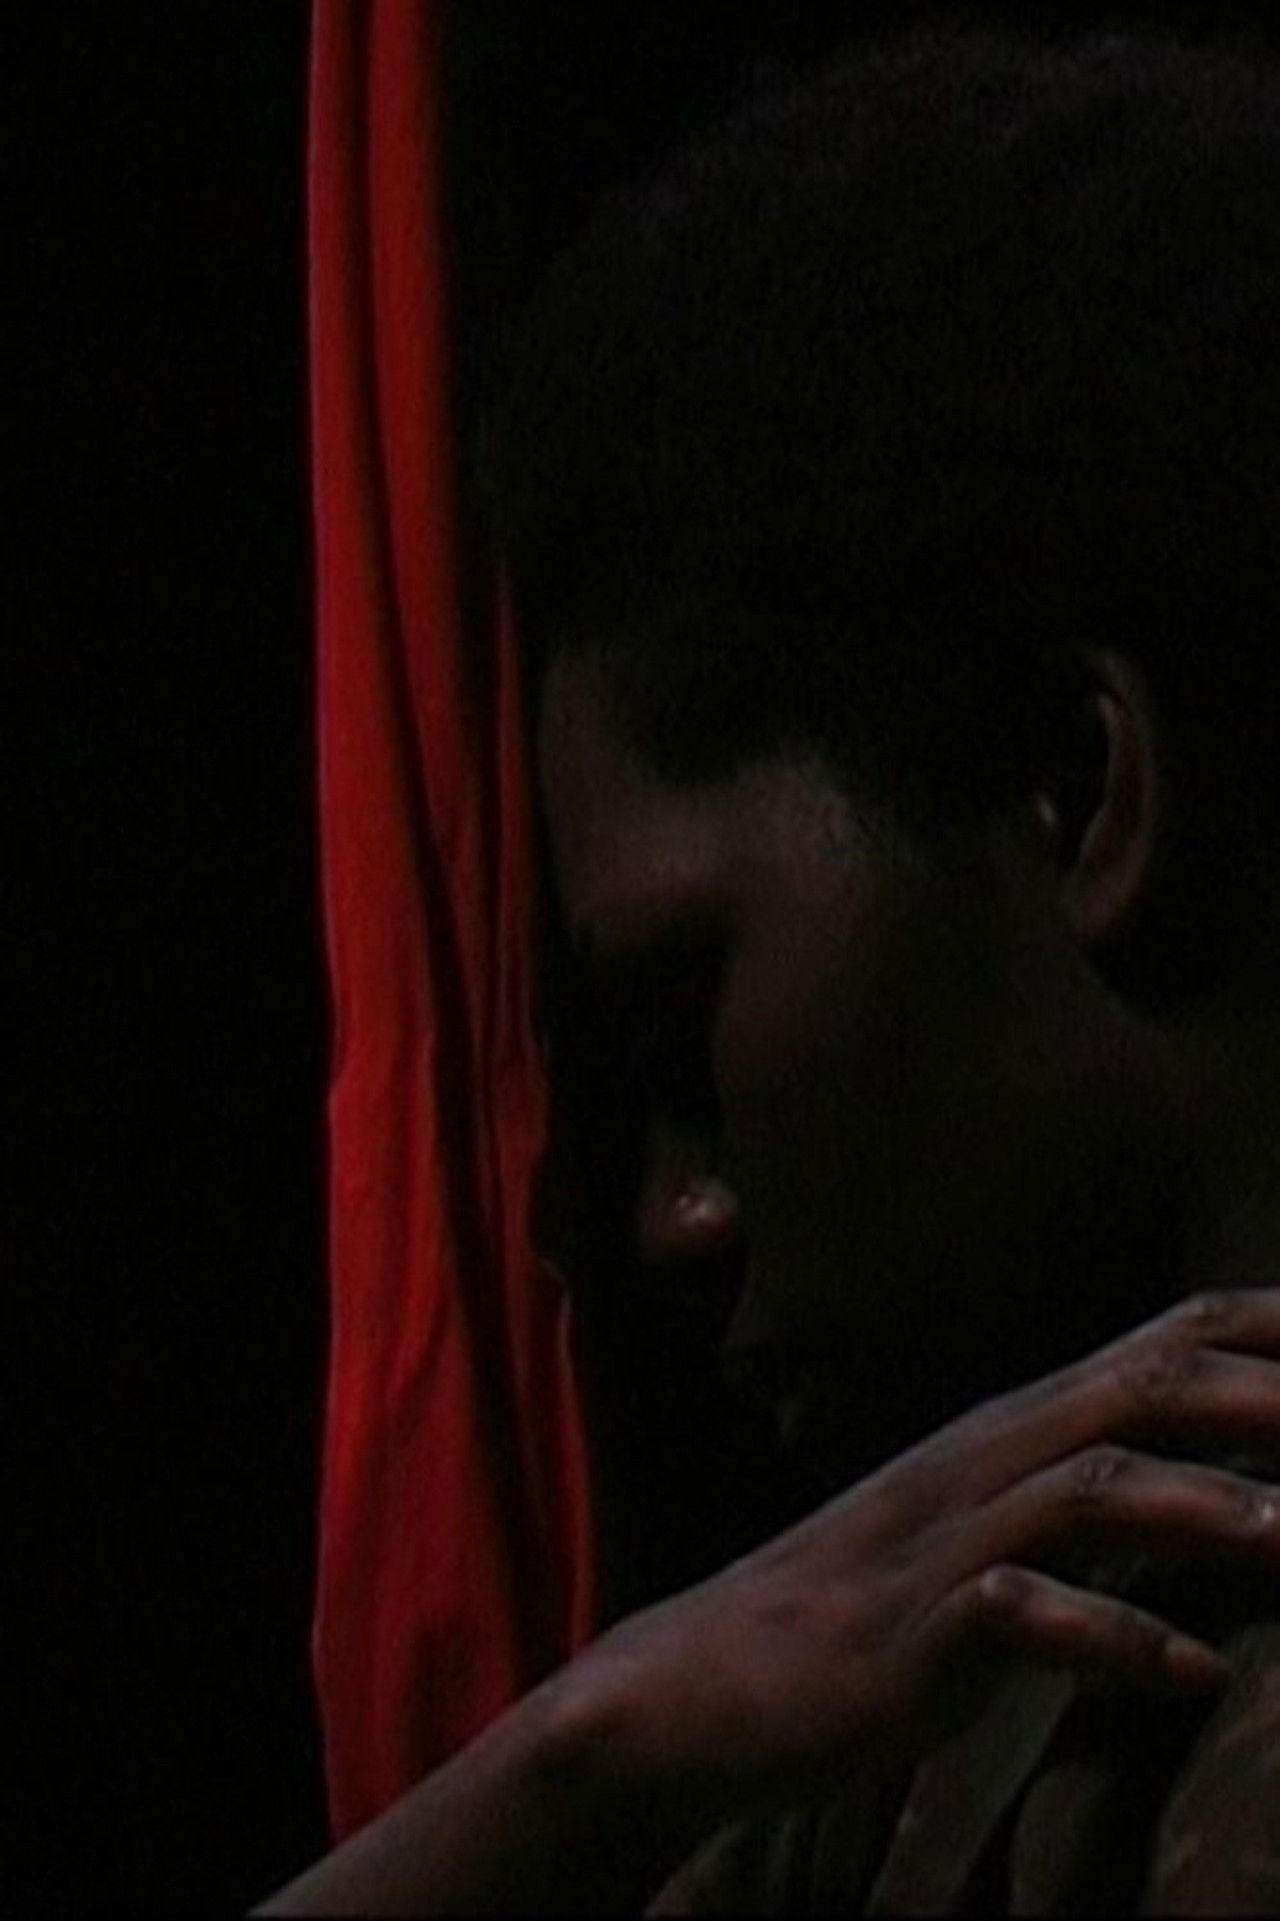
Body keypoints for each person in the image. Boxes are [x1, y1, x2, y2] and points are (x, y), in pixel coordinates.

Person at [261, 22, 1280, 1912]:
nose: (676, 1214)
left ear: (1075, 796)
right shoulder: (916, 1702)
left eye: (683, 1032)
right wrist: (583, 1754)